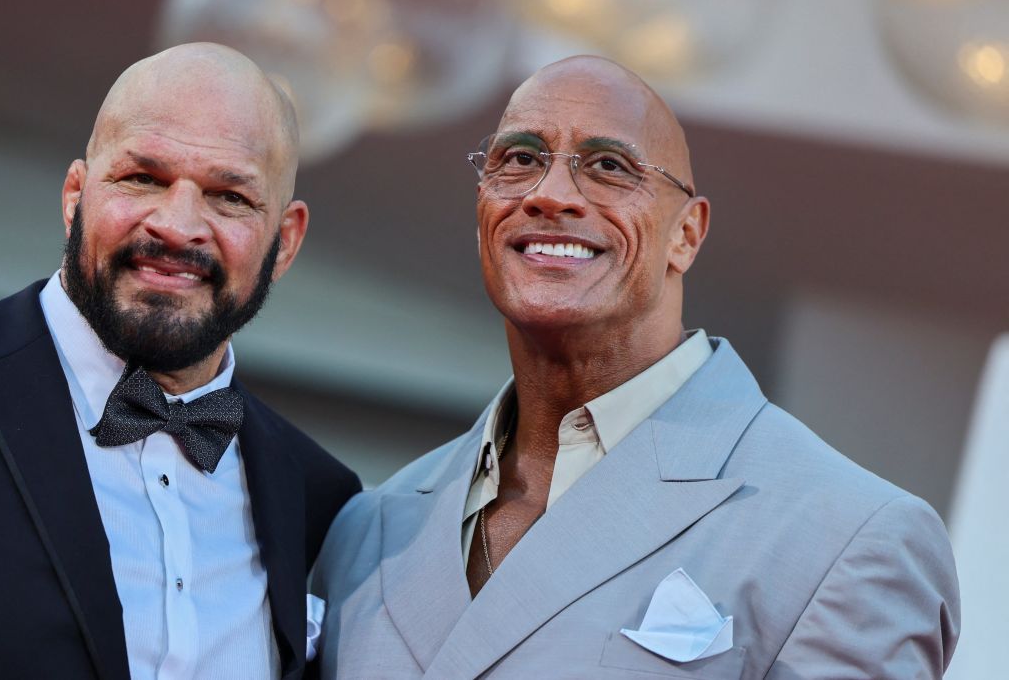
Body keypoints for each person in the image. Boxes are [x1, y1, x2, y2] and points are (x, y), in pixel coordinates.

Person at [311, 56, 959, 679]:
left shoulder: (849, 538)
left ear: (686, 234)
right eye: (521, 159)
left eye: (608, 166)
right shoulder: (367, 531)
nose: (551, 195)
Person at [0, 43, 361, 680]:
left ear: (285, 241)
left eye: (230, 197)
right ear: (76, 195)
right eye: (143, 178)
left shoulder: (317, 496)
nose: (176, 225)